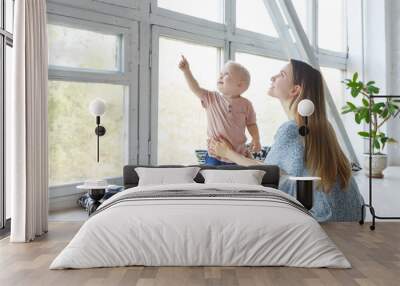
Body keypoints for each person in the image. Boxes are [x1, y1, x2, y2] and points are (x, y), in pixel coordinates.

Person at [209, 59, 364, 222]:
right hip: (350, 217)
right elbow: (289, 171)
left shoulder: (291, 129)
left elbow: (269, 172)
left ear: (295, 90)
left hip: (323, 221)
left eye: (281, 75)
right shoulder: (323, 127)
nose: (272, 77)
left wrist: (227, 153)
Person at [179, 55, 261, 166]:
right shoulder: (211, 98)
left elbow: (251, 124)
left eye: (226, 74)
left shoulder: (246, 104)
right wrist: (186, 71)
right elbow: (195, 88)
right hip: (215, 154)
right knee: (213, 180)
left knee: (237, 180)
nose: (221, 76)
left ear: (240, 84)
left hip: (238, 155)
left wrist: (256, 139)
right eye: (220, 74)